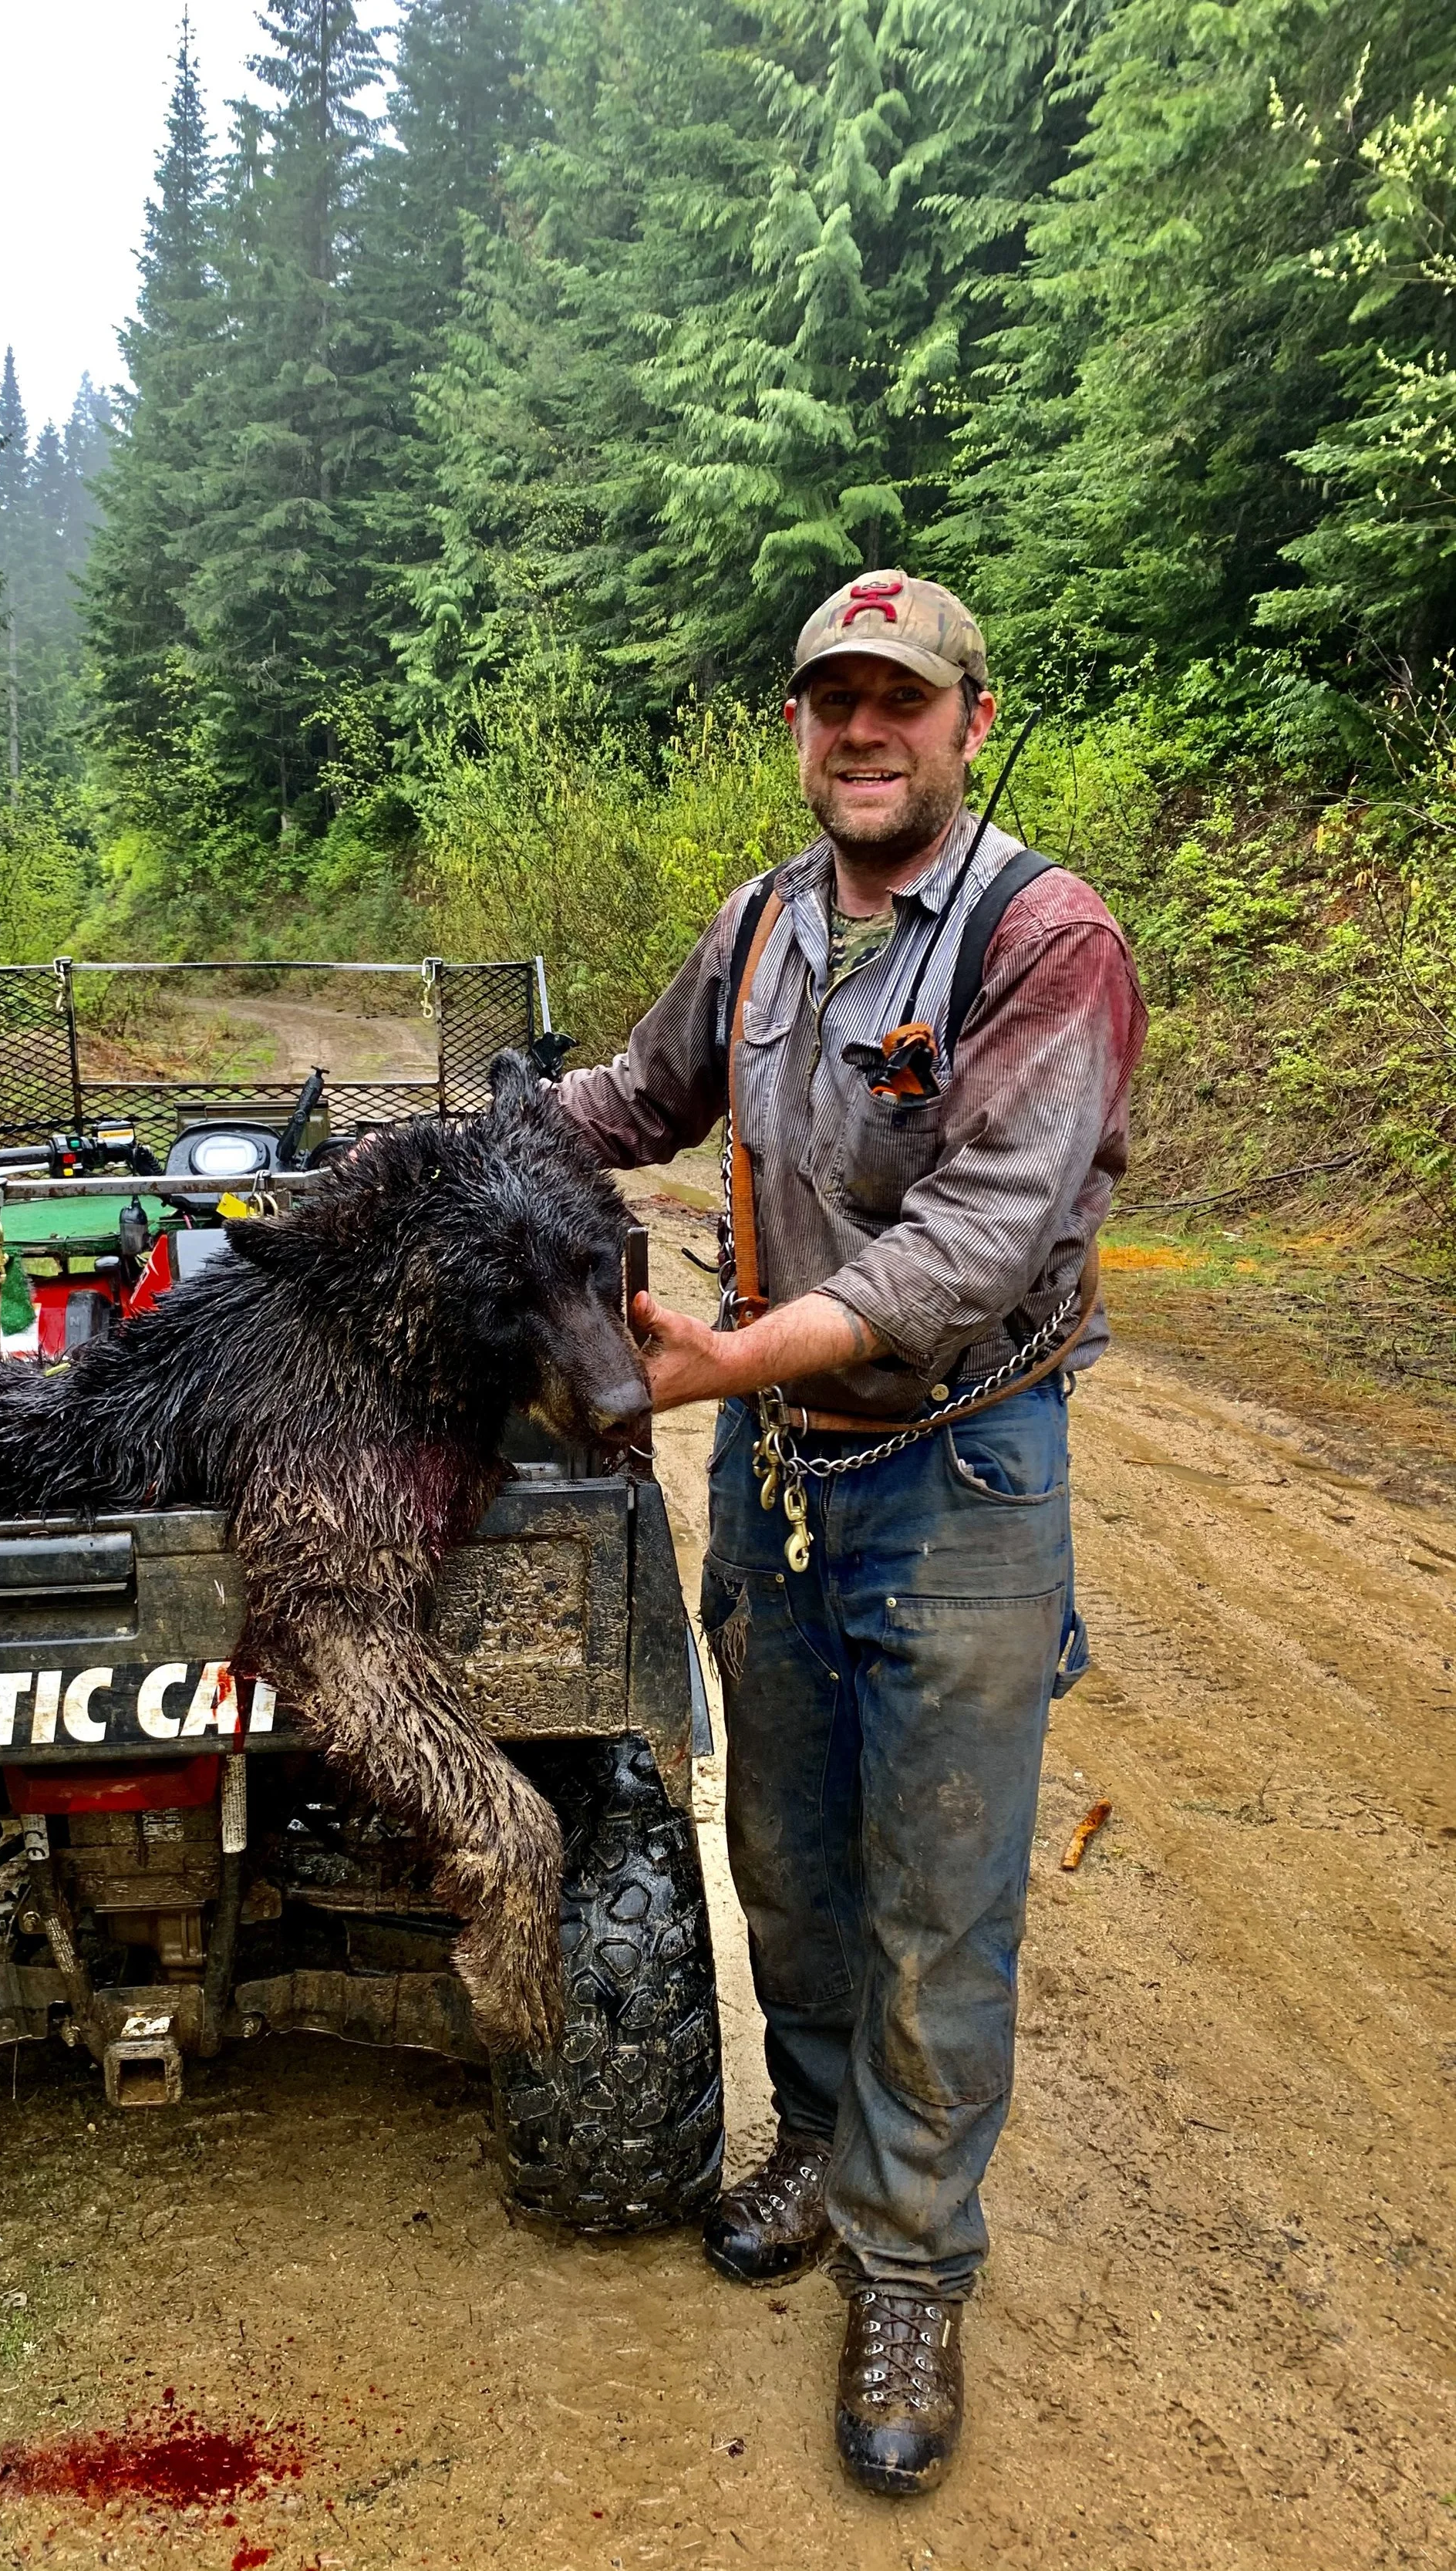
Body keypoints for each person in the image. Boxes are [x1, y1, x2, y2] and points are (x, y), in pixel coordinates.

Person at [551, 570, 1146, 2498]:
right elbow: (630, 1098)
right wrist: (447, 1151)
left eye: (899, 701)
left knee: (936, 1894)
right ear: (797, 731)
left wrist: (721, 1356)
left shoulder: (1044, 941)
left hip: (960, 1475)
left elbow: (972, 1246)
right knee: (789, 1856)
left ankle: (907, 2263)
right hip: (783, 1484)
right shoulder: (762, 926)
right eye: (831, 705)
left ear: (972, 719)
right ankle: (814, 2140)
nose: (861, 733)